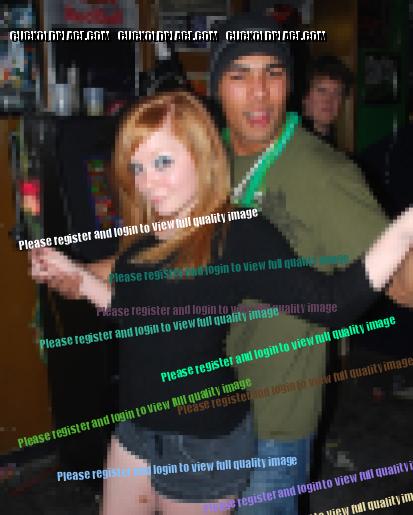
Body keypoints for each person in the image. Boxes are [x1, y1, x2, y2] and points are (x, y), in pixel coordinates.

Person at [30, 91, 413, 515]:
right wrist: (79, 278)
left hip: (201, 443)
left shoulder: (238, 234)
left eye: (162, 162)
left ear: (202, 155)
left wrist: (403, 230)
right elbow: (138, 317)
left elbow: (332, 303)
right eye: (137, 167)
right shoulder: (148, 231)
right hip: (136, 427)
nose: (147, 182)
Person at [208, 13, 413, 515]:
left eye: (273, 73)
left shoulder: (326, 174)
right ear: (216, 87)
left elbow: (404, 283)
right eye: (240, 75)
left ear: (289, 85)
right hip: (198, 413)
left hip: (269, 425)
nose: (259, 92)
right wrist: (83, 274)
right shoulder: (204, 159)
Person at [301, 55, 353, 147]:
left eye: (337, 93)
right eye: (322, 90)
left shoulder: (330, 142)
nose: (329, 100)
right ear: (306, 97)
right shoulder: (294, 142)